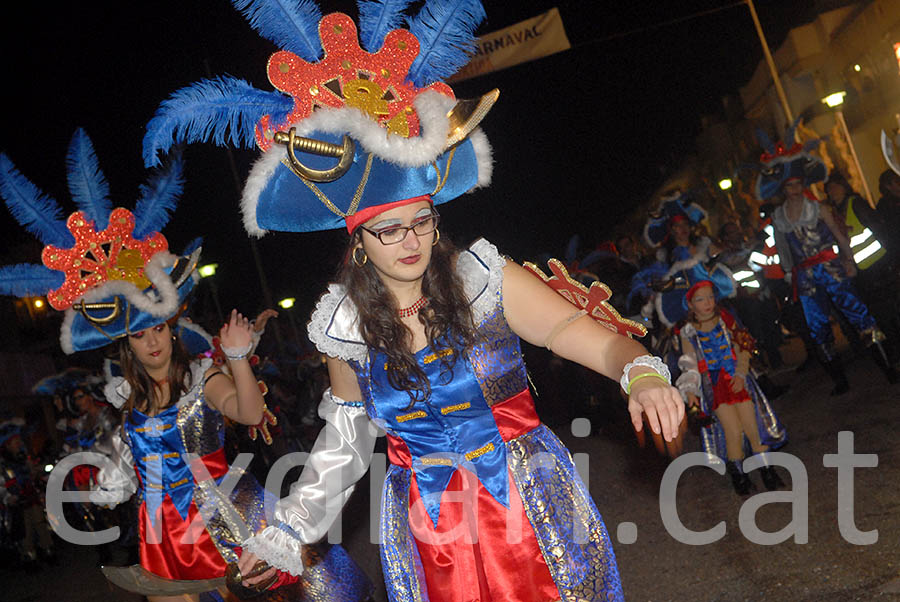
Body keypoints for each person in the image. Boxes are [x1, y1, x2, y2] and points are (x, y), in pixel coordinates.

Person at [144, 2, 683, 599]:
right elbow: (347, 442)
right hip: (432, 528)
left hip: (527, 498)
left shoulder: (484, 279)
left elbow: (586, 339)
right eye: (389, 229)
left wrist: (638, 373)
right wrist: (288, 530)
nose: (411, 242)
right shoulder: (344, 327)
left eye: (421, 222)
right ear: (357, 242)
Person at [0, 129, 373, 601]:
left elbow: (251, 414)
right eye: (139, 333)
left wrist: (237, 356)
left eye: (159, 328)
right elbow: (124, 466)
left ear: (172, 328)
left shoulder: (201, 379)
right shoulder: (127, 403)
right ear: (125, 345)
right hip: (159, 530)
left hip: (224, 516)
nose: (153, 341)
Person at [756, 123, 891, 394]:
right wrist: (787, 273)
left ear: (802, 184)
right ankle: (840, 381)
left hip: (831, 269)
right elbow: (783, 251)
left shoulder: (818, 208)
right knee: (818, 329)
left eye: (797, 184)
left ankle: (887, 367)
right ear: (784, 188)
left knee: (860, 315)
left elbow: (840, 238)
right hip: (805, 279)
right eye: (789, 185)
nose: (794, 188)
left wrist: (849, 261)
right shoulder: (780, 218)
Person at [675, 279, 787, 494]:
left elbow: (743, 345)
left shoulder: (726, 318)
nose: (707, 303)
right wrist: (690, 391)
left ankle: (767, 471)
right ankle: (739, 476)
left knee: (752, 427)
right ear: (690, 304)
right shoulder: (687, 332)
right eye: (700, 299)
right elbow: (689, 362)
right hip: (715, 386)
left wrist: (741, 373)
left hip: (739, 380)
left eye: (710, 297)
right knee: (732, 431)